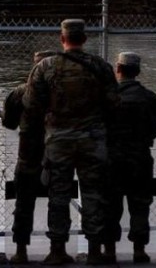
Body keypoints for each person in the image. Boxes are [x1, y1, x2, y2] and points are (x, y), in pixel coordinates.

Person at [23, 19, 119, 265]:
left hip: (58, 139)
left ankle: (57, 250)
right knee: (94, 193)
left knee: (58, 194)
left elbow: (31, 106)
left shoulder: (45, 66)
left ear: (61, 38)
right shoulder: (101, 67)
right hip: (92, 139)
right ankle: (95, 251)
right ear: (84, 38)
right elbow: (114, 105)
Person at [105, 52, 156, 264]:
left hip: (112, 158)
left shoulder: (108, 97)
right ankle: (139, 250)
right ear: (137, 72)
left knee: (111, 204)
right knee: (140, 204)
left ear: (117, 69)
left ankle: (109, 250)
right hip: (139, 157)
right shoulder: (148, 97)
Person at [2, 50, 55, 264]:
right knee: (58, 203)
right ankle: (56, 248)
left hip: (27, 157)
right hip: (55, 156)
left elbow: (9, 123)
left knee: (23, 205)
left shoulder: (20, 93)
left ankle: (21, 250)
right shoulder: (62, 95)